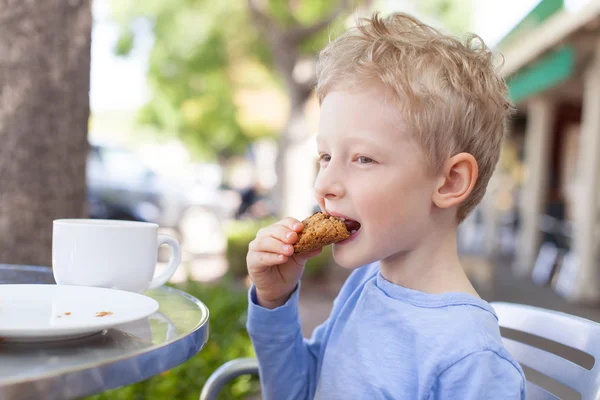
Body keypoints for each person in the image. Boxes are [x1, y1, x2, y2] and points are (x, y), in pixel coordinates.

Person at [245, 12, 526, 399]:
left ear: (450, 181)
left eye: (363, 159)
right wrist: (275, 301)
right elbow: (298, 392)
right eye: (325, 157)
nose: (323, 183)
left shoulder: (469, 358)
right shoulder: (365, 285)